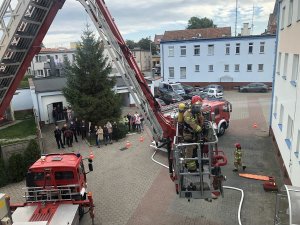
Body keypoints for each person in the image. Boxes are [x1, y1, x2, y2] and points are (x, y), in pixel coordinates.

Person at [183, 95, 204, 171]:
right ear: (192, 105)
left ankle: (196, 166)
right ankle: (190, 169)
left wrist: (202, 121)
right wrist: (200, 129)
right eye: (197, 106)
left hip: (195, 137)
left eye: (199, 106)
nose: (198, 108)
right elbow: (193, 125)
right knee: (190, 153)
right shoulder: (187, 114)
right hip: (188, 136)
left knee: (195, 151)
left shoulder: (197, 113)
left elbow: (200, 122)